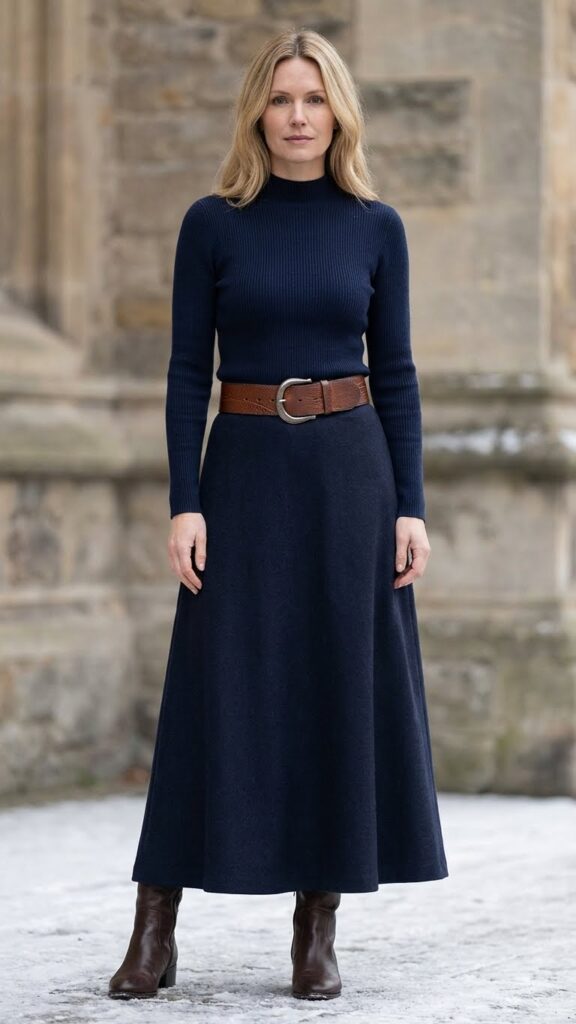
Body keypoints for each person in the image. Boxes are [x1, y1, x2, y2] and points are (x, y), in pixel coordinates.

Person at [108, 27, 449, 1003]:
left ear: (338, 112)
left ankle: (316, 926)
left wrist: (411, 506)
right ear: (257, 111)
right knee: (210, 685)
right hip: (245, 472)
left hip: (351, 478)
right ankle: (155, 922)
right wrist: (184, 501)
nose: (298, 116)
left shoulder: (376, 226)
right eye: (281, 98)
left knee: (336, 686)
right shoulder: (212, 224)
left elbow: (397, 374)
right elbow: (187, 372)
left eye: (314, 98)